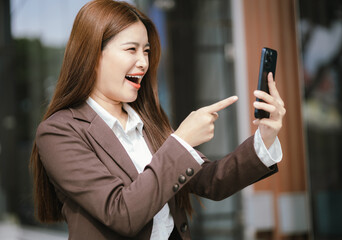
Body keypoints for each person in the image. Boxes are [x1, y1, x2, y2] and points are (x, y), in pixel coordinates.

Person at [30, 0, 286, 239]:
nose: (143, 62)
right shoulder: (59, 132)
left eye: (147, 51)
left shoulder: (147, 121)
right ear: (93, 55)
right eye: (131, 49)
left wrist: (265, 136)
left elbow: (211, 182)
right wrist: (182, 142)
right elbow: (120, 213)